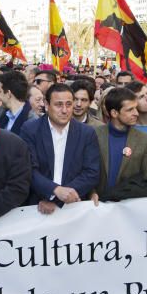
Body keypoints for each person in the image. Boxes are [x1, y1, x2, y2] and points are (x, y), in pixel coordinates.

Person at [20, 83, 100, 214]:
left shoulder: (87, 133)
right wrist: (53, 191)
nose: (64, 110)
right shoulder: (30, 130)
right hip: (37, 207)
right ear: (46, 105)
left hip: (75, 206)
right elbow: (29, 169)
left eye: (69, 104)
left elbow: (92, 172)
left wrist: (59, 198)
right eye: (58, 105)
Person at [91, 88, 147, 202]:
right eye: (130, 110)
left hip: (128, 207)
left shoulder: (145, 140)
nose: (136, 113)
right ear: (114, 113)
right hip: (97, 207)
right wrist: (91, 193)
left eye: (136, 108)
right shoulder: (94, 135)